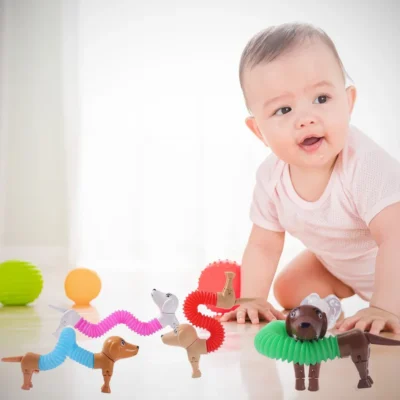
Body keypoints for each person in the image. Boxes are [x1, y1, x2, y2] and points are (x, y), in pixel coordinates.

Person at [220, 22, 400, 335]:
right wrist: (251, 299)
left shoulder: (365, 165)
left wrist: (385, 306)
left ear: (349, 103)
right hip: (342, 268)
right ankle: (335, 305)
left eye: (321, 99)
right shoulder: (271, 178)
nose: (306, 118)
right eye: (284, 109)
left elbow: (395, 237)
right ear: (259, 131)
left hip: (393, 262)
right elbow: (264, 244)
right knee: (288, 289)